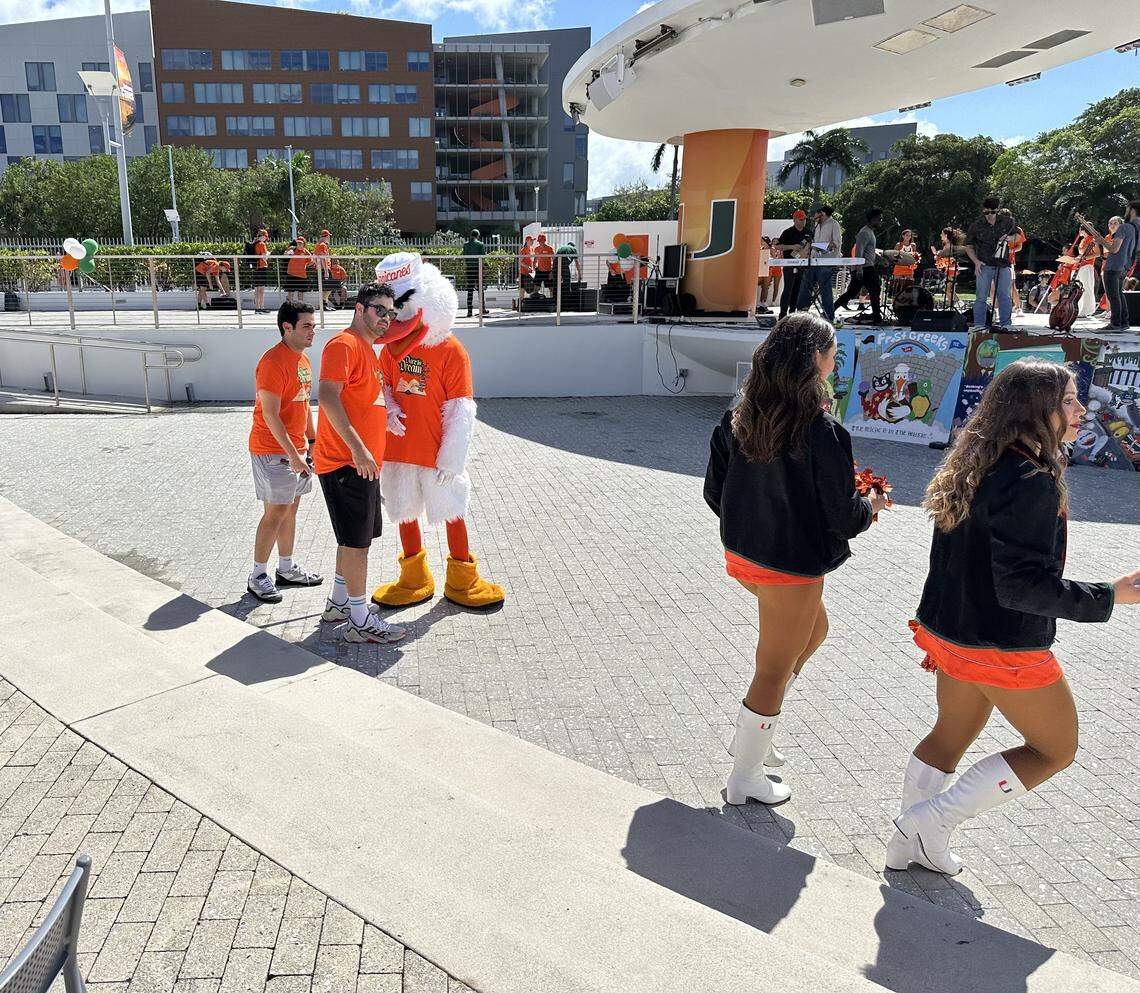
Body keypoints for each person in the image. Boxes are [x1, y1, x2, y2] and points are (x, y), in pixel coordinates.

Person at [887, 360, 1139, 876]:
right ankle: (927, 824)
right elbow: (1021, 586)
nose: (1079, 412)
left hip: (949, 631)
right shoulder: (1028, 477)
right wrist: (1109, 596)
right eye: (1068, 401)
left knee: (949, 736)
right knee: (1055, 750)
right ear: (1035, 410)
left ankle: (907, 840)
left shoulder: (978, 457)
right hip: (998, 643)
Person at [704, 314, 889, 806]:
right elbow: (843, 517)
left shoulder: (740, 413)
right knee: (773, 667)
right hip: (789, 566)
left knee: (815, 632)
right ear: (814, 359)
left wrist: (752, 520)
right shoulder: (822, 431)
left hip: (745, 555)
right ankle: (745, 774)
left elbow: (714, 492)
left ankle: (754, 731)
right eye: (832, 351)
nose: (835, 359)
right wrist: (871, 504)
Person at [312, 282, 419, 644]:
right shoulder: (343, 345)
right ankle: (359, 619)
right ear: (360, 309)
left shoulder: (366, 350)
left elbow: (363, 403)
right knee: (357, 544)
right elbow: (327, 395)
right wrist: (358, 449)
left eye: (391, 312)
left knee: (353, 538)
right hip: (346, 463)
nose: (386, 318)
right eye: (379, 310)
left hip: (362, 465)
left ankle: (341, 603)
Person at [246, 302, 323, 602]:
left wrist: (312, 442)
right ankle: (257, 575)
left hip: (298, 452)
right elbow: (270, 414)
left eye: (314, 326)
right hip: (272, 450)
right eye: (306, 326)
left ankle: (286, 568)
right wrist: (293, 453)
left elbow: (304, 405)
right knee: (275, 512)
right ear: (286, 327)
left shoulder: (302, 361)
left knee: (290, 509)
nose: (312, 331)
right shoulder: (272, 362)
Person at [964, 196, 1016, 329]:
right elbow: (968, 246)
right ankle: (979, 325)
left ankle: (1006, 324)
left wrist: (1009, 237)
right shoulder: (976, 225)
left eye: (992, 212)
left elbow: (1018, 236)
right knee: (981, 297)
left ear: (997, 210)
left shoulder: (1008, 221)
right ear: (983, 211)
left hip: (1003, 264)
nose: (989, 216)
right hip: (984, 264)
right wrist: (976, 262)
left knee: (1004, 296)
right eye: (986, 213)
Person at [1081, 215, 1135, 332]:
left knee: (1113, 296)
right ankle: (1124, 322)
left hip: (1114, 267)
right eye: (1110, 223)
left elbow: (1113, 249)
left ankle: (1115, 324)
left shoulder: (1120, 234)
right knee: (1118, 294)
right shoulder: (1127, 235)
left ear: (1121, 224)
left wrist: (1101, 241)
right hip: (1121, 267)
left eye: (1115, 223)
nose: (1112, 225)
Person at [834, 208, 883, 325]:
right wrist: (859, 269)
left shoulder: (870, 232)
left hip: (866, 266)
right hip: (864, 267)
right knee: (875, 289)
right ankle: (876, 316)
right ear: (873, 219)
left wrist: (880, 258)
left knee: (852, 291)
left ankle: (830, 309)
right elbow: (858, 252)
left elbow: (867, 251)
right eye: (879, 219)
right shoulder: (864, 233)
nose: (881, 221)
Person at [795, 204, 842, 322]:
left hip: (826, 262)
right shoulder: (816, 225)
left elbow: (836, 244)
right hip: (814, 261)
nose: (813, 216)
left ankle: (828, 316)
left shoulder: (834, 224)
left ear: (822, 213)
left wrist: (817, 246)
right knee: (805, 288)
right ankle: (800, 314)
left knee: (825, 290)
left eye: (816, 213)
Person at [777, 210, 811, 319]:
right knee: (788, 288)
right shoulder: (788, 232)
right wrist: (792, 246)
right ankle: (782, 314)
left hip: (802, 265)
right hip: (789, 264)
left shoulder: (809, 232)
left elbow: (813, 245)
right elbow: (778, 246)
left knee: (798, 288)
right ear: (795, 220)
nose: (804, 221)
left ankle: (793, 312)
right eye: (801, 219)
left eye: (805, 219)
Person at [462, 229, 487, 317]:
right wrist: (483, 269)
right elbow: (483, 257)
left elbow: (464, 257)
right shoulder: (480, 244)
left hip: (469, 269)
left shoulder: (466, 245)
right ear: (478, 236)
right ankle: (482, 308)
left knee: (470, 290)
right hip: (478, 268)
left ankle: (469, 311)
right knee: (480, 289)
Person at [285, 237, 312, 304]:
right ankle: (289, 307)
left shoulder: (306, 252)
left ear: (304, 244)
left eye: (301, 243)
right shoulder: (292, 248)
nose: (299, 244)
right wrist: (287, 254)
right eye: (298, 243)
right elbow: (284, 254)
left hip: (302, 275)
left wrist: (305, 265)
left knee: (301, 293)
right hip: (291, 273)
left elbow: (312, 260)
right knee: (290, 292)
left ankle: (300, 307)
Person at [313, 229, 333, 311]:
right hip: (323, 269)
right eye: (329, 236)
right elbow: (322, 258)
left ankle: (323, 305)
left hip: (320, 269)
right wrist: (326, 271)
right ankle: (323, 304)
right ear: (327, 236)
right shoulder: (322, 245)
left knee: (325, 288)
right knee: (330, 287)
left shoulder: (319, 245)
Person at [252, 229, 270, 315]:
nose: (266, 238)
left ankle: (257, 308)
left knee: (256, 289)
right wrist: (268, 254)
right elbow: (264, 257)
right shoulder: (262, 244)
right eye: (266, 236)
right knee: (261, 289)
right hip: (262, 267)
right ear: (263, 236)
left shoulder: (254, 243)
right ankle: (261, 307)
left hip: (255, 268)